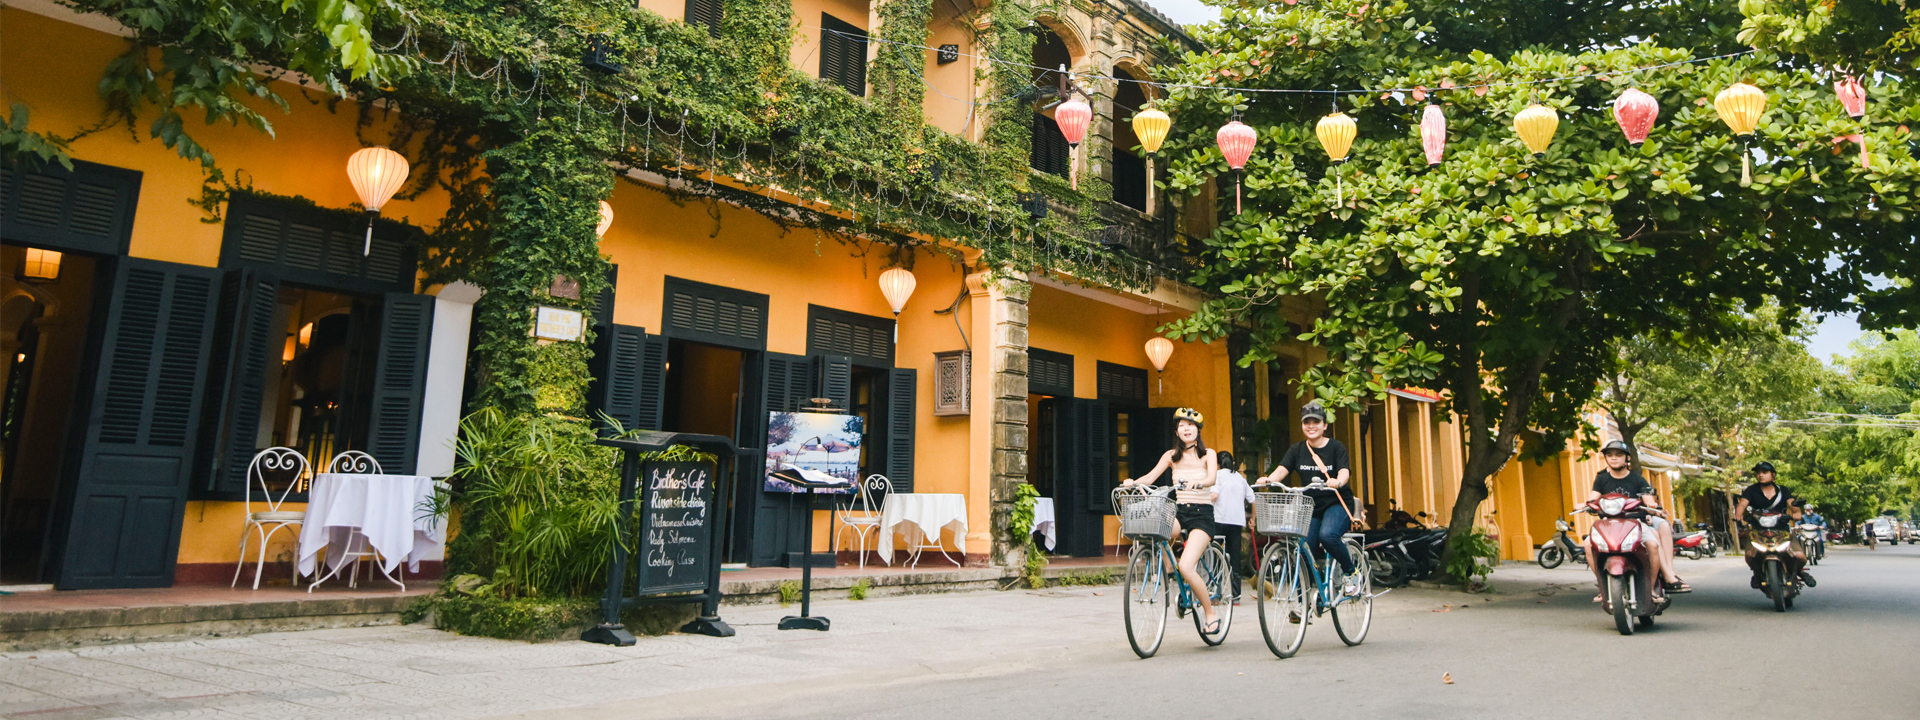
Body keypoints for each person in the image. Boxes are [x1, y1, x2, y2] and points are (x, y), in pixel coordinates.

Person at [1120, 408, 1222, 634]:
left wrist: (1201, 483)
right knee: (1159, 529)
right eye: (1182, 425)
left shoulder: (1209, 454)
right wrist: (1132, 482)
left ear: (1198, 430)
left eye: (1191, 425)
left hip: (1202, 515)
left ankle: (1210, 613)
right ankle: (1168, 565)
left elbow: (1212, 477)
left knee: (1187, 566)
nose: (1187, 429)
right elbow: (1150, 477)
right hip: (1180, 511)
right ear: (1176, 430)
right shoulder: (1170, 456)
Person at [1258, 401, 1362, 598]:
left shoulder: (1335, 447)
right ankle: (1300, 602)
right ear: (1302, 425)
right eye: (1307, 422)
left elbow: (1344, 471)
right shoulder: (1297, 449)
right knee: (1303, 550)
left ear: (1324, 425)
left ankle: (1351, 573)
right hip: (1310, 508)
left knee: (1328, 535)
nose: (1311, 426)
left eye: (1316, 421)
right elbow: (1283, 469)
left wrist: (1337, 481)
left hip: (1337, 504)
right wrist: (1269, 479)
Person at [1586, 440, 1691, 601]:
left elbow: (1648, 498)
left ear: (1626, 458)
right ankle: (1603, 587)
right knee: (1588, 544)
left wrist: (1650, 503)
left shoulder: (1637, 480)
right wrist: (1585, 504)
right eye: (1610, 455)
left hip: (1635, 523)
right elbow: (1593, 498)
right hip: (1609, 524)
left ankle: (1651, 589)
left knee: (1653, 545)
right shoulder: (1601, 479)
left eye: (1618, 455)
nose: (1614, 458)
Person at [1733, 461, 1811, 586]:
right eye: (1758, 473)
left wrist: (1796, 514)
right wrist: (1738, 514)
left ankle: (1799, 571)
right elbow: (1742, 504)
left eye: (1764, 472)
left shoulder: (1783, 490)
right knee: (1749, 555)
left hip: (1782, 531)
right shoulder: (1751, 490)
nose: (1760, 475)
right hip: (1758, 531)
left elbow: (1792, 504)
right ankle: (1757, 573)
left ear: (1773, 475)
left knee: (1801, 557)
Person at [1212, 451, 1253, 599]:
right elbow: (1252, 498)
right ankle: (1236, 595)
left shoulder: (1217, 476)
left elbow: (1214, 495)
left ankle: (1216, 593)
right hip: (1236, 522)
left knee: (1216, 556)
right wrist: (1252, 519)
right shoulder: (1240, 478)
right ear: (1233, 462)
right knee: (1234, 558)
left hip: (1219, 520)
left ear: (1217, 463)